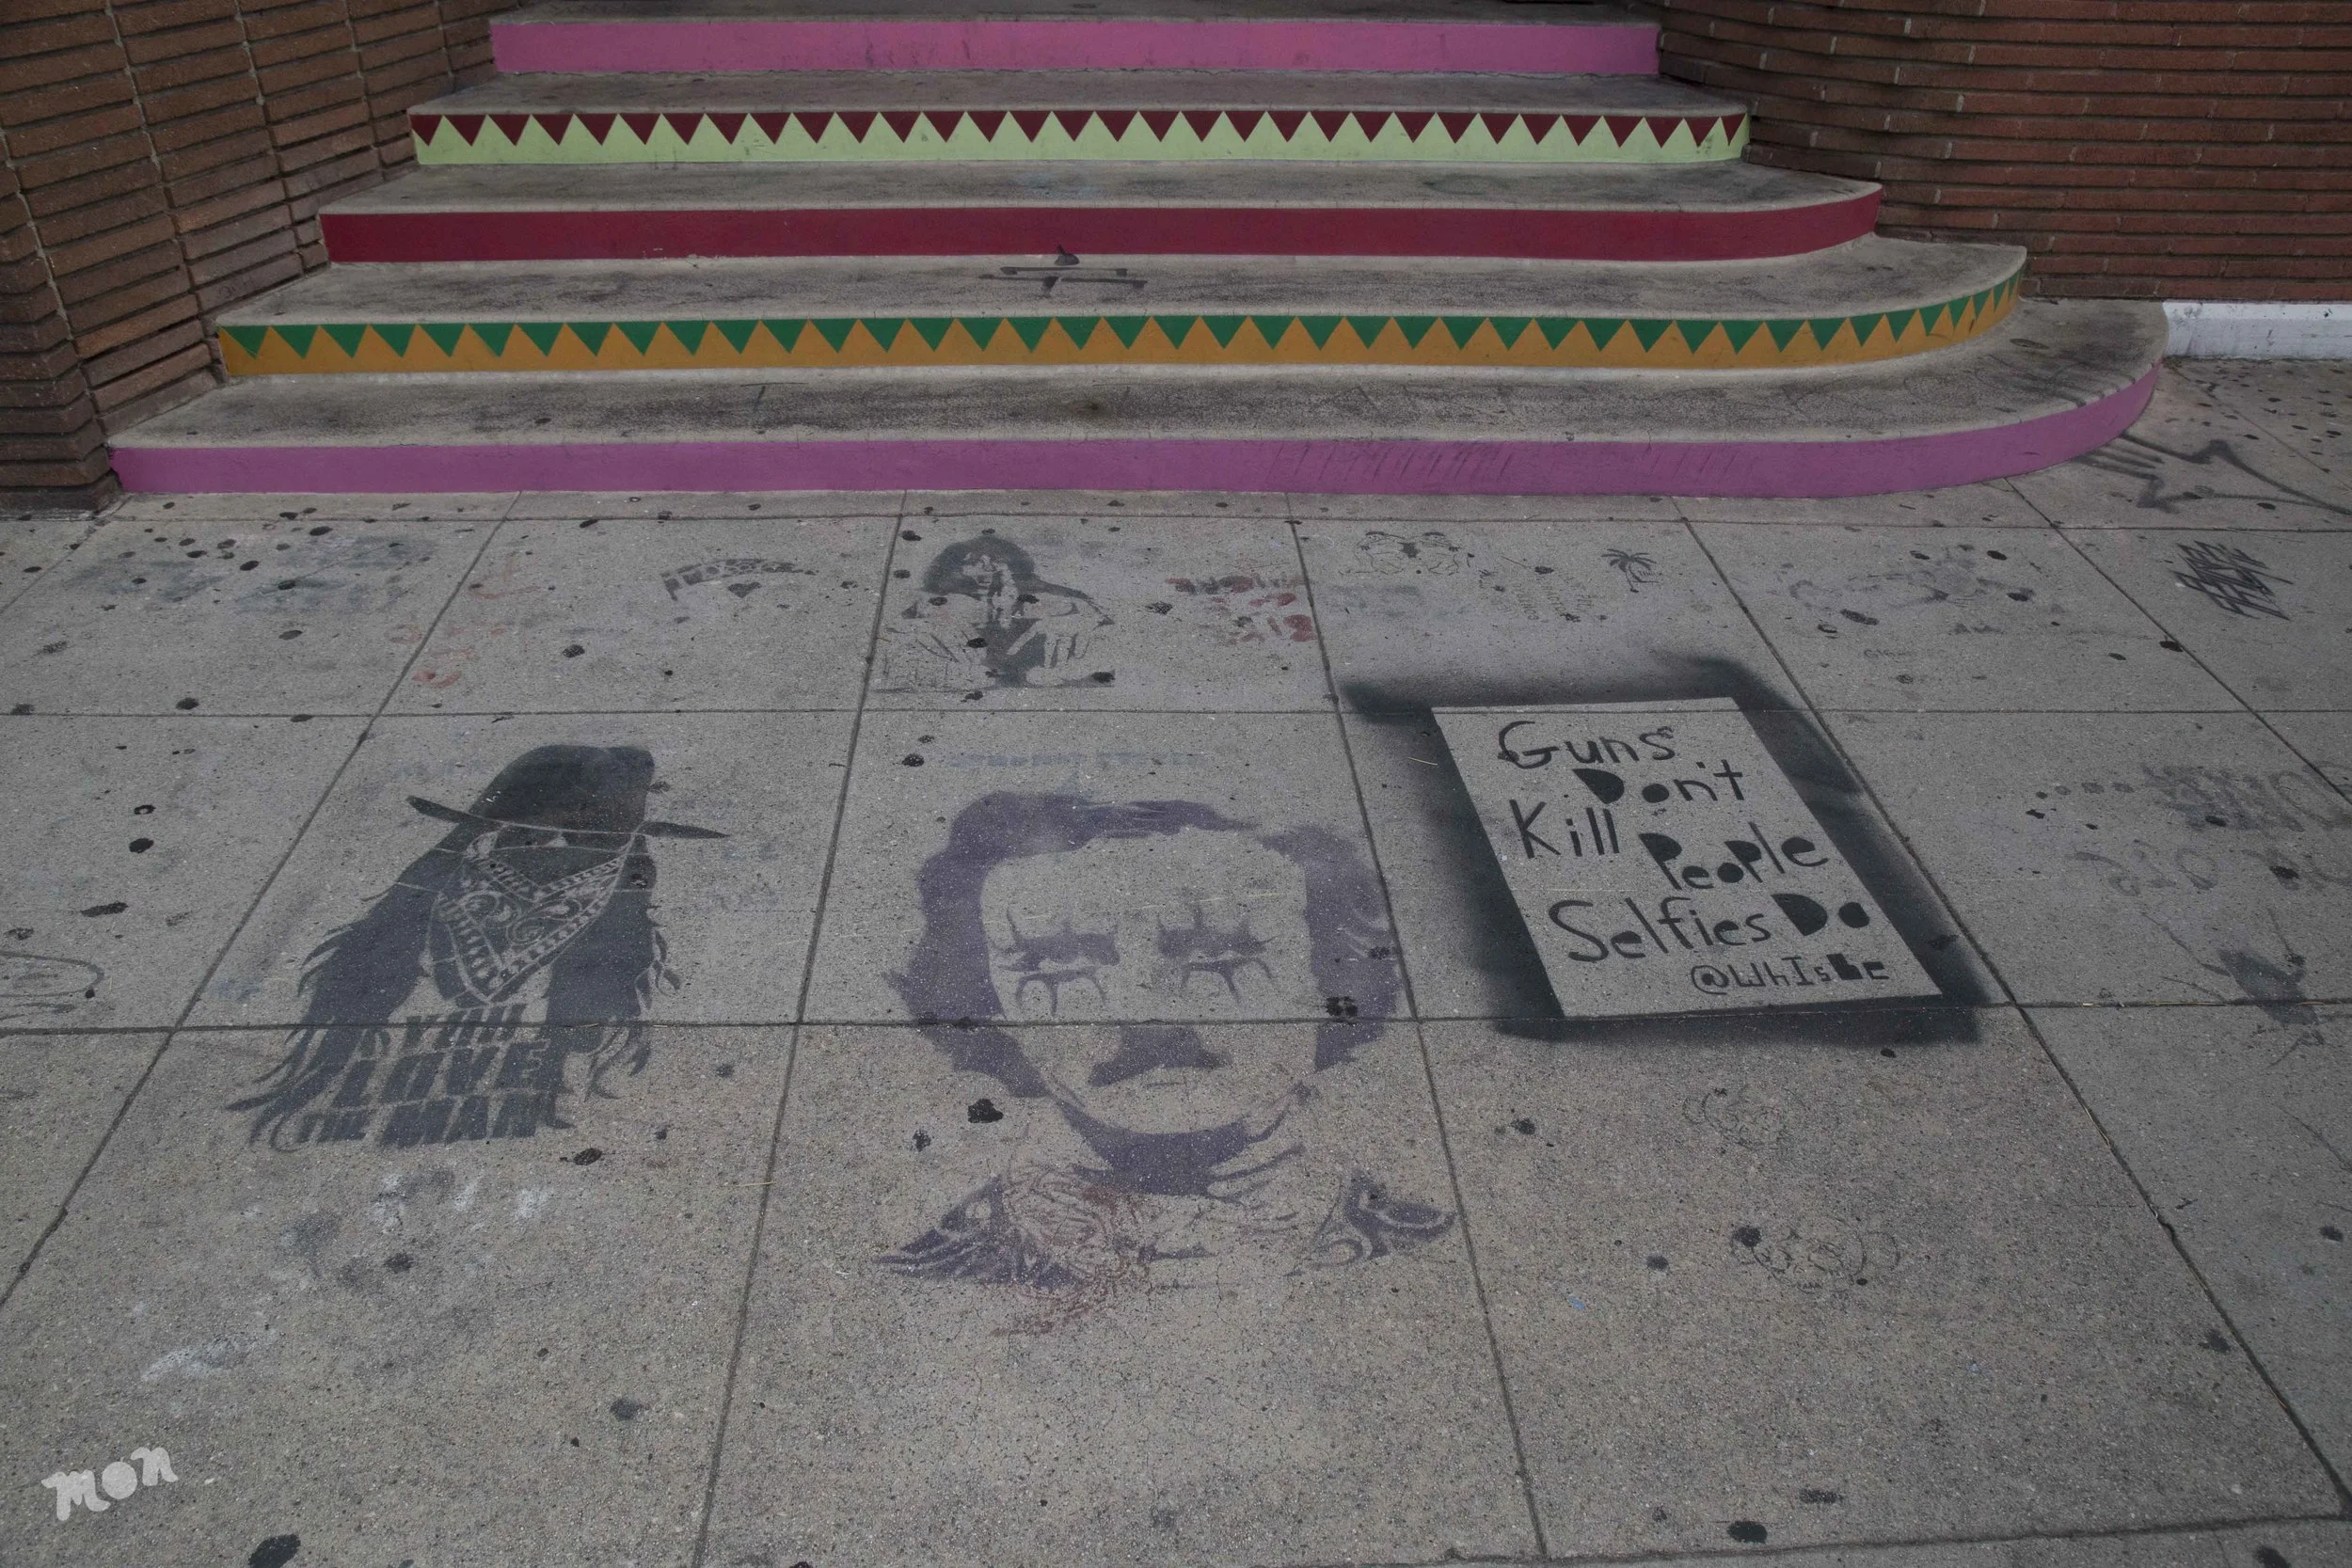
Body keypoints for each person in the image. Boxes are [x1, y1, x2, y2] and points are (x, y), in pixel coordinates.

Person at [882, 792, 1451, 1324]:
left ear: (1326, 978)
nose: (1146, 1014)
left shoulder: (1415, 1246)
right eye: (1059, 962)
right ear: (991, 1005)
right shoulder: (929, 1276)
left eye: (1216, 951)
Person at [232, 745, 722, 1151]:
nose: (556, 856)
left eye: (587, 839)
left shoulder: (612, 918)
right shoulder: (424, 920)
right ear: (483, 840)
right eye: (532, 836)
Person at [882, 533, 1113, 689]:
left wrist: (1088, 620)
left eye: (995, 562)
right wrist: (913, 632)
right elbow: (891, 636)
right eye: (974, 562)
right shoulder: (930, 608)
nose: (988, 567)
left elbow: (1102, 622)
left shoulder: (1060, 601)